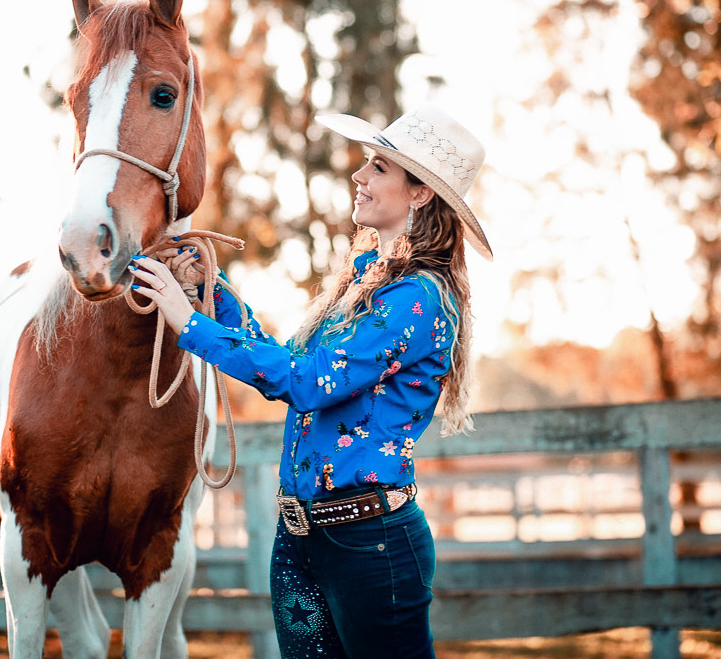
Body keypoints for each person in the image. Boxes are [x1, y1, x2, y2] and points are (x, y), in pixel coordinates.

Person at [129, 103, 492, 659]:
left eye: (378, 168)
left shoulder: (418, 299)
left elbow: (307, 382)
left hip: (371, 545)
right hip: (301, 536)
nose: (359, 176)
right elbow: (283, 359)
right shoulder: (366, 286)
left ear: (420, 194)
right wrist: (214, 290)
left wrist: (188, 321)